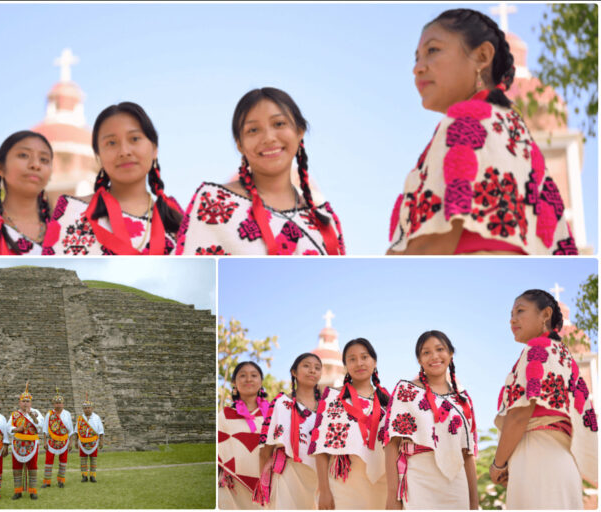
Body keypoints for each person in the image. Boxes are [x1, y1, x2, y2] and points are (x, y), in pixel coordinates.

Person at [388, 8, 577, 255]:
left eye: (432, 50)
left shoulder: (466, 122)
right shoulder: (515, 130)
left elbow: (435, 242)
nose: (418, 68)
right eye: (416, 58)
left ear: (482, 56)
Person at [175, 87, 345, 255]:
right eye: (253, 130)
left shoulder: (325, 220)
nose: (269, 138)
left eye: (279, 124)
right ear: (240, 144)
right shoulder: (213, 202)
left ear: (299, 132)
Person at [491, 289, 597, 509]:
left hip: (537, 459)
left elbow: (519, 415)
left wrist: (498, 465)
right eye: (511, 314)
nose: (512, 319)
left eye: (520, 311)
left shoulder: (537, 349)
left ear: (546, 314)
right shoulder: (564, 357)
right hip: (563, 463)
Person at [45, 102, 183, 255]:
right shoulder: (71, 213)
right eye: (111, 143)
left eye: (135, 139)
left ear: (154, 149)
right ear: (98, 156)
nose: (124, 151)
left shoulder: (177, 221)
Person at [383, 331, 478, 509]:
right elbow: (391, 443)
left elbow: (468, 454)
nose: (434, 356)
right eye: (426, 352)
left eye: (440, 349)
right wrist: (392, 495)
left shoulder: (463, 399)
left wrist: (474, 502)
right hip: (419, 477)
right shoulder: (406, 391)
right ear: (419, 360)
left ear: (450, 354)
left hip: (456, 483)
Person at [312, 338, 391, 510]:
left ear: (374, 361)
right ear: (345, 365)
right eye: (352, 359)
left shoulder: (389, 402)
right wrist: (324, 491)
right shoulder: (332, 398)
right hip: (344, 483)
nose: (359, 363)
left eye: (364, 357)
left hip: (383, 483)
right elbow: (320, 449)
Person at [254, 353, 322, 508]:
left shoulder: (327, 409)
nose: (312, 370)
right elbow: (265, 450)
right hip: (288, 475)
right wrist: (265, 483)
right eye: (306, 366)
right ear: (294, 372)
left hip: (321, 479)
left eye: (317, 368)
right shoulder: (281, 403)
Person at [217, 361, 270, 509]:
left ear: (261, 381)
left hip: (269, 485)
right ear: (234, 382)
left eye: (254, 375)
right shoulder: (224, 415)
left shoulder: (272, 414)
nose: (248, 379)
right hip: (231, 489)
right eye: (242, 375)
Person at [7, 382, 44, 500]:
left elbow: (41, 427)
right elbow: (8, 428)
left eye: (27, 401)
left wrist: (32, 416)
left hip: (32, 445)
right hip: (17, 444)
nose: (25, 403)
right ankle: (18, 491)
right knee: (17, 468)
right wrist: (16, 429)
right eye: (23, 401)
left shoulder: (36, 413)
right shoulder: (14, 415)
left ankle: (33, 491)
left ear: (31, 402)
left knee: (32, 467)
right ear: (19, 402)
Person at [42, 390, 74, 489]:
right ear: (53, 404)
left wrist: (70, 442)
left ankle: (61, 481)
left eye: (60, 403)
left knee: (63, 461)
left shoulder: (67, 414)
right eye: (56, 403)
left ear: (63, 404)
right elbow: (45, 428)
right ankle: (47, 481)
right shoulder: (49, 414)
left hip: (64, 440)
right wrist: (45, 441)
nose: (58, 405)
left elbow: (71, 430)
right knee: (48, 461)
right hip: (52, 441)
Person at [74, 396, 104, 482]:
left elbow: (101, 431)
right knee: (83, 459)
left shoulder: (97, 418)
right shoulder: (80, 419)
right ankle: (84, 476)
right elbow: (76, 431)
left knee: (93, 459)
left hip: (93, 443)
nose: (87, 409)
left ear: (92, 408)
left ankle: (92, 476)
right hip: (82, 443)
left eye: (89, 408)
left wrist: (101, 441)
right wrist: (75, 441)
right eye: (85, 408)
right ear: (83, 409)